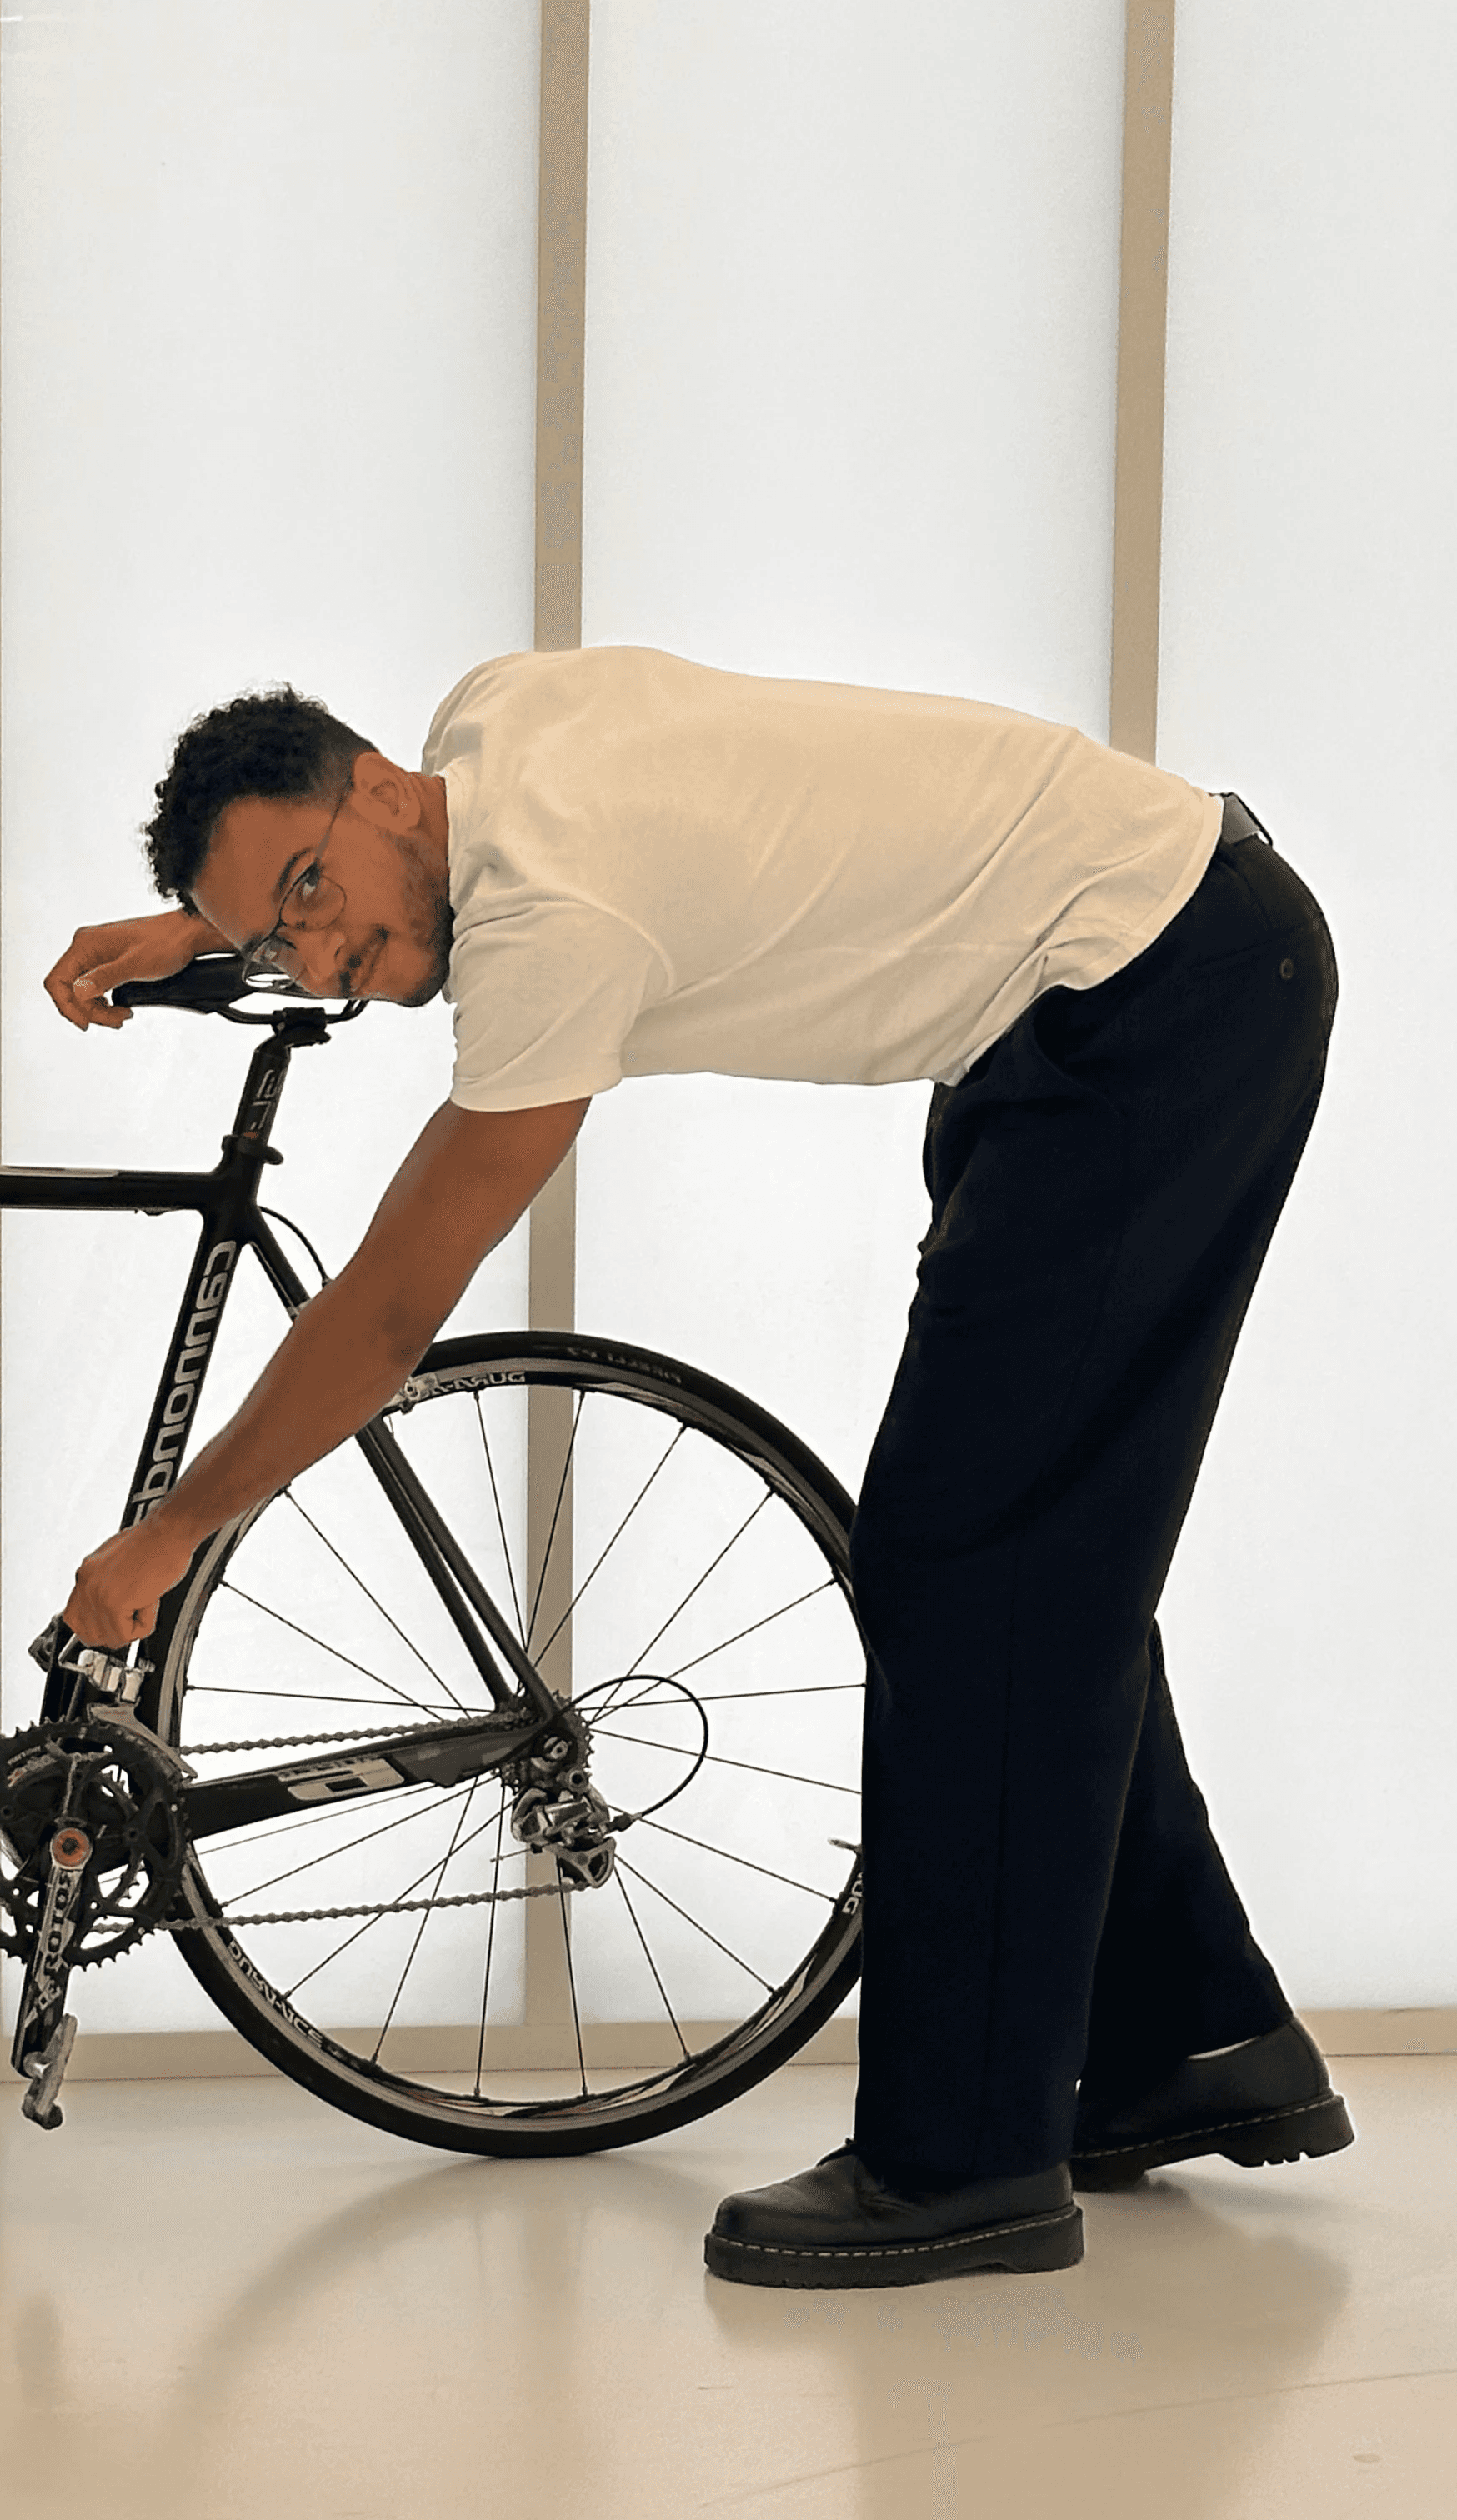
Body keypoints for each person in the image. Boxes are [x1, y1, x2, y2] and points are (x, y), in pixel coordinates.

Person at [43, 642, 1353, 2289]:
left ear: (378, 790)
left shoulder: (555, 914)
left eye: (310, 895)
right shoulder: (487, 729)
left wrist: (169, 1535)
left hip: (1156, 994)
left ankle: (966, 2163)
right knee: (1025, 1551)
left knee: (978, 1558)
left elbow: (383, 1318)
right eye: (275, 940)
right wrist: (213, 927)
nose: (318, 959)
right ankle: (1196, 2037)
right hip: (1092, 998)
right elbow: (383, 882)